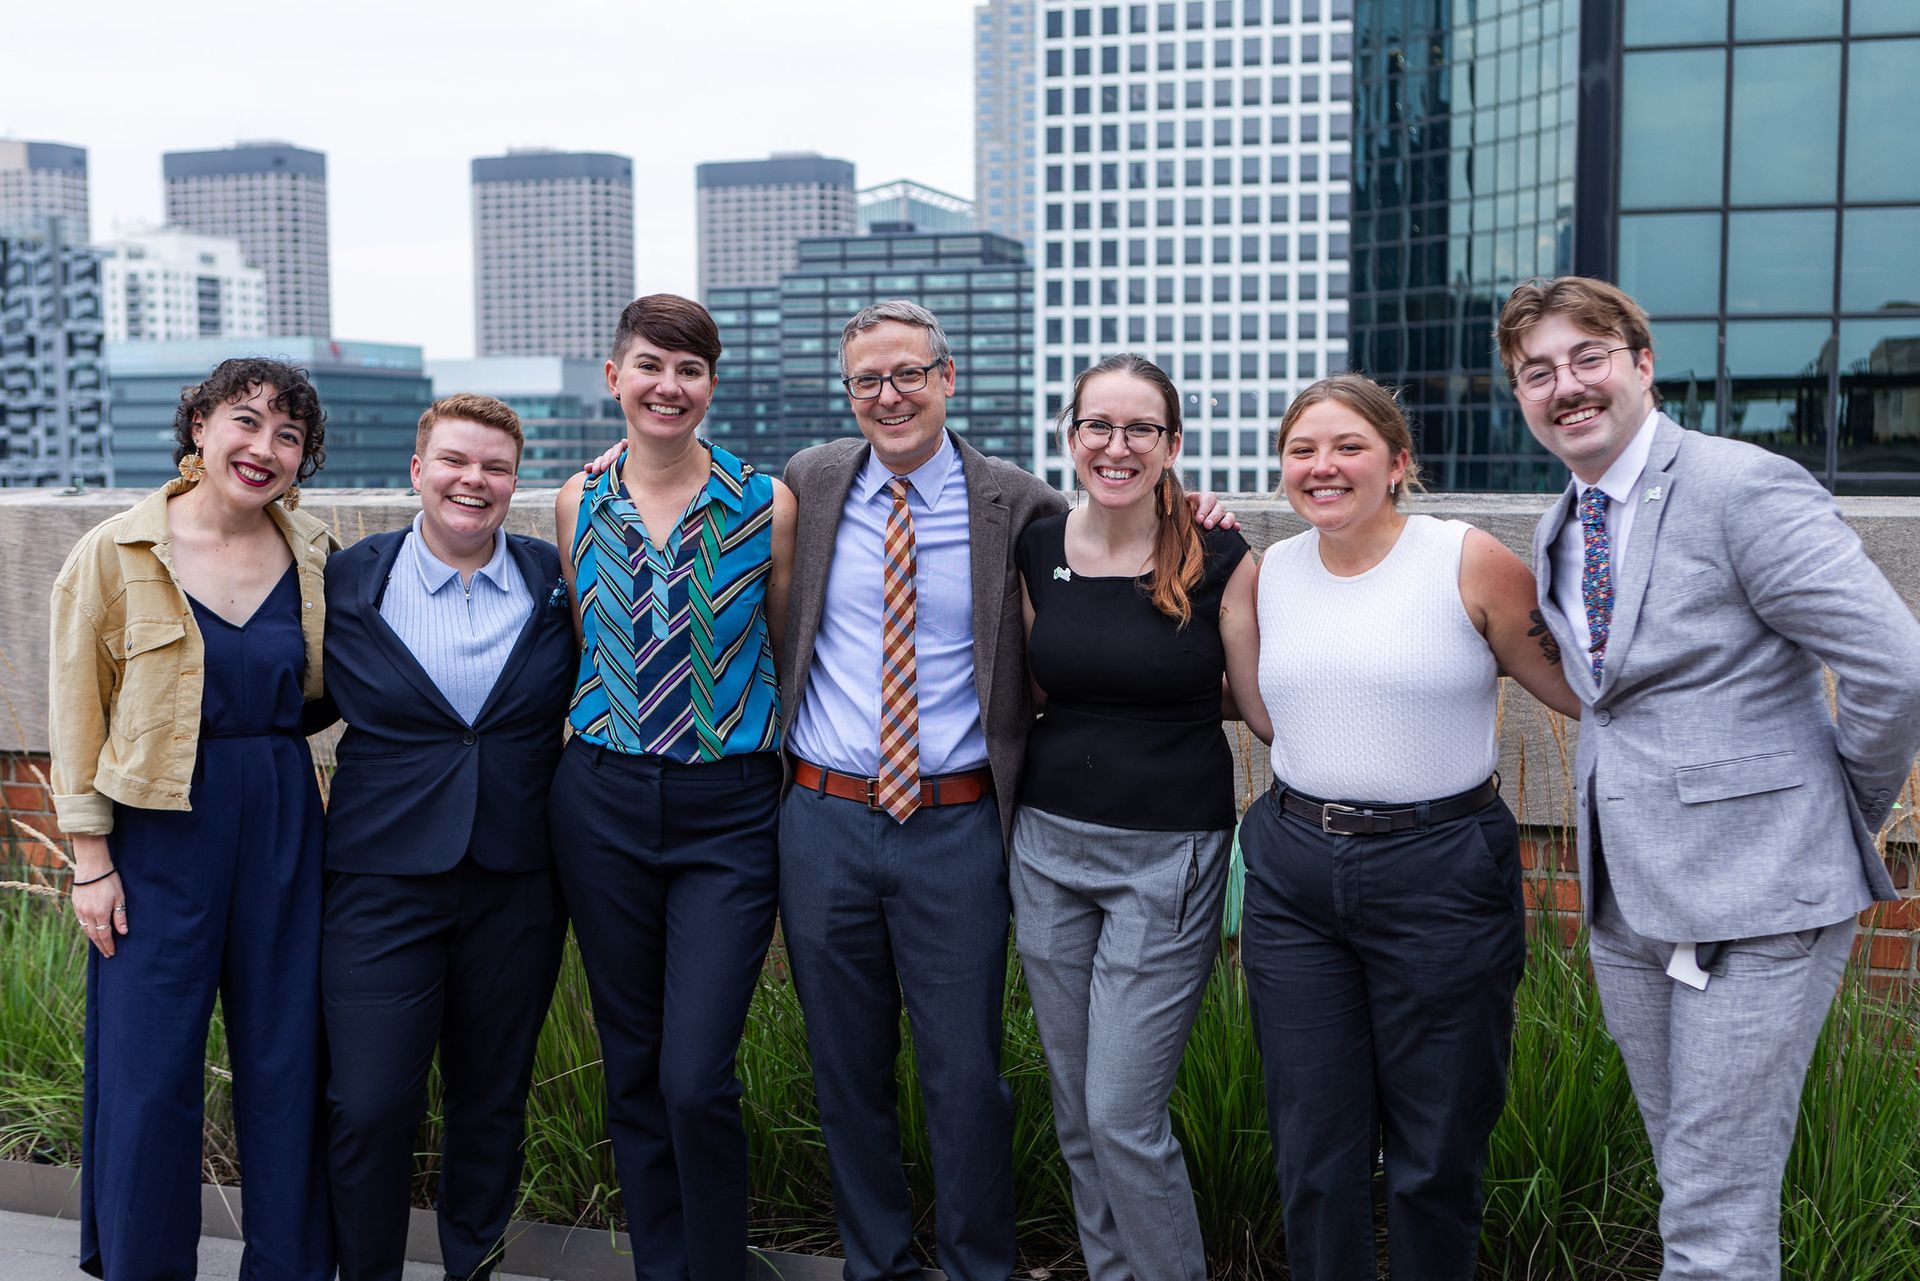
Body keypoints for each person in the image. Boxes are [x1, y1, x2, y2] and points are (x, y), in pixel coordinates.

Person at [1497, 276, 1920, 1280]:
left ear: (1643, 363)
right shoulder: (1566, 519)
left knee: (1714, 1217)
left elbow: (1892, 666)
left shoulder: (1741, 486)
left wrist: (1831, 813)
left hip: (1759, 901)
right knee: (1688, 1177)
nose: (1566, 387)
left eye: (1587, 358)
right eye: (1537, 373)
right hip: (1631, 903)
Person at [1239, 374, 1581, 1281]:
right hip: (1296, 877)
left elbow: (1582, 692)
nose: (1323, 466)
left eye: (1348, 446)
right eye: (1303, 449)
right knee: (1314, 1151)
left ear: (1398, 463)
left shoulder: (1464, 559)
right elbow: (1273, 715)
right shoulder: (1269, 573)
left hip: (1442, 874)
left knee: (1436, 1152)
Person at [48, 358, 336, 1281]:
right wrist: (91, 863)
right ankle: (146, 1264)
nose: (264, 448)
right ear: (201, 425)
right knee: (149, 1071)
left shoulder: (319, 552)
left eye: (287, 435)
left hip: (286, 821)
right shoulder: (115, 552)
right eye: (246, 422)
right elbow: (75, 713)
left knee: (288, 1062)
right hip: (158, 834)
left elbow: (330, 691)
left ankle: (288, 1266)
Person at [550, 294, 796, 1281]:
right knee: (635, 1066)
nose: (669, 385)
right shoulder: (579, 500)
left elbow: (785, 643)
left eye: (690, 369)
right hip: (600, 800)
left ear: (711, 387)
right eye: (651, 364)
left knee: (696, 1076)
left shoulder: (764, 501)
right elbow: (583, 643)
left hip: (728, 811)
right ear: (615, 376)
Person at [1008, 353, 1265, 1281]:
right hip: (1045, 849)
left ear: (1172, 444)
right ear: (1072, 436)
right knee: (1078, 1109)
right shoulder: (1036, 546)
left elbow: (1259, 704)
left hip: (1169, 856)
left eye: (1140, 430)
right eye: (1098, 427)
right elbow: (1036, 685)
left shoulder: (1221, 553)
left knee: (1122, 1109)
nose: (1117, 447)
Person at [316, 393, 577, 1281]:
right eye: (456, 462)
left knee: (491, 1101)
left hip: (517, 881)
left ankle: (473, 1266)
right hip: (379, 880)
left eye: (496, 467)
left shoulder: (555, 579)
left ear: (515, 483)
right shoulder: (351, 577)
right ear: (419, 470)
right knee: (369, 1101)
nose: (475, 480)